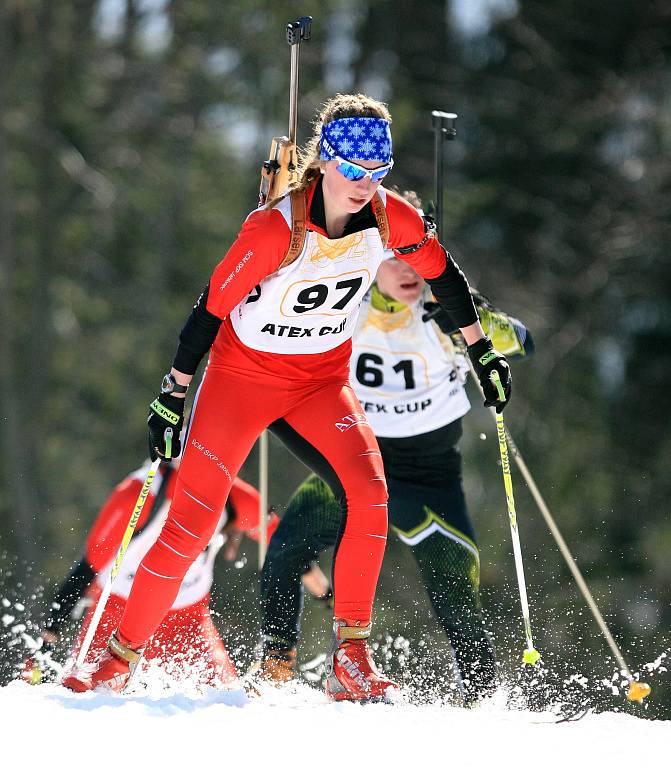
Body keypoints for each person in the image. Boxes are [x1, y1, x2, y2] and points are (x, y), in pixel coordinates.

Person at [63, 93, 511, 701]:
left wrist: (481, 350)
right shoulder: (275, 228)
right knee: (192, 525)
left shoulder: (390, 218)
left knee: (370, 493)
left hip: (319, 384)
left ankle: (350, 658)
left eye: (377, 174)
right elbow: (210, 309)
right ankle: (116, 660)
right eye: (353, 172)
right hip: (239, 383)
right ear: (325, 162)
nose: (364, 186)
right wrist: (173, 391)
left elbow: (445, 277)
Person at [257, 217, 533, 703]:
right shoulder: (350, 304)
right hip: (357, 462)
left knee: (456, 592)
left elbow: (522, 341)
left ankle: (483, 699)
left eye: (417, 261)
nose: (410, 272)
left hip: (429, 474)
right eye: (395, 259)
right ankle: (273, 671)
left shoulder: (447, 308)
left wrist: (477, 324)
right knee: (282, 553)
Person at [26, 460, 278, 688]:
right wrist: (50, 634)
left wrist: (318, 594)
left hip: (187, 617)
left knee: (223, 699)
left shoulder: (237, 498)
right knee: (90, 697)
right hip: (118, 611)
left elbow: (286, 547)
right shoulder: (136, 494)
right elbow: (88, 567)